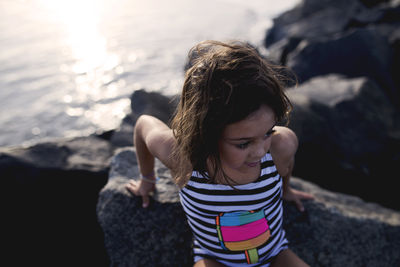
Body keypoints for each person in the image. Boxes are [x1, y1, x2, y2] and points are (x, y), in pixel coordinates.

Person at [126, 40, 313, 266]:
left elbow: (285, 165)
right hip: (213, 259)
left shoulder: (280, 145)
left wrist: (285, 189)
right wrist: (147, 180)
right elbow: (144, 124)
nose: (259, 151)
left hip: (274, 254)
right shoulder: (184, 159)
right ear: (206, 132)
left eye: (267, 132)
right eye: (243, 144)